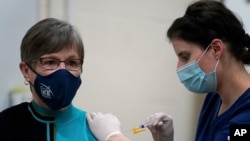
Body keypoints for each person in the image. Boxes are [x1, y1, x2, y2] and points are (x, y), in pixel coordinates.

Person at [86, 1, 250, 141]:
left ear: (215, 49)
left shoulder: (245, 117)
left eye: (185, 56)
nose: (179, 67)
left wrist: (113, 136)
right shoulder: (215, 98)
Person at [0, 18, 97, 141]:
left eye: (72, 63)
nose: (63, 71)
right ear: (26, 71)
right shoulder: (6, 125)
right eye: (50, 62)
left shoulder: (94, 130)